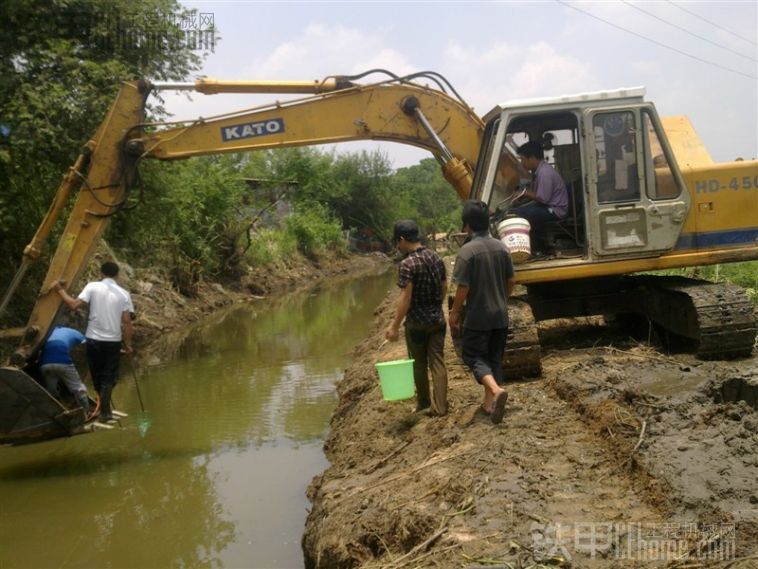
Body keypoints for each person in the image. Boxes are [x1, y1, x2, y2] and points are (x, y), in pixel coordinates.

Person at [449, 201, 516, 425]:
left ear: (467, 225)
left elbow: (463, 287)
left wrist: (455, 312)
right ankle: (489, 404)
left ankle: (496, 391)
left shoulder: (467, 252)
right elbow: (511, 281)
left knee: (473, 356)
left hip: (478, 316)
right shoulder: (502, 247)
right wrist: (503, 299)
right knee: (494, 359)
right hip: (500, 315)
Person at [53, 261, 134, 422]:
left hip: (93, 339)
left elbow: (75, 305)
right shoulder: (124, 293)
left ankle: (104, 410)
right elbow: (126, 322)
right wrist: (128, 345)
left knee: (97, 375)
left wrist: (60, 290)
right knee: (109, 376)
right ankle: (105, 410)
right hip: (113, 341)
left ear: (101, 273)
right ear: (117, 275)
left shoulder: (92, 286)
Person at [385, 220, 448, 416]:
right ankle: (441, 407)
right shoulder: (436, 257)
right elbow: (444, 286)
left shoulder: (407, 264)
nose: (397, 245)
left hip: (417, 323)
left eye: (397, 241)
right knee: (437, 361)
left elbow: (406, 297)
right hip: (437, 319)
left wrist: (394, 326)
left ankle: (423, 403)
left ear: (402, 239)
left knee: (419, 363)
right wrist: (436, 305)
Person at [511, 140, 569, 255]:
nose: (522, 163)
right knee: (520, 210)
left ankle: (537, 249)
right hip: (548, 206)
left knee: (518, 214)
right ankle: (538, 247)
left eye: (523, 159)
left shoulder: (545, 173)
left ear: (532, 157)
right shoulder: (539, 171)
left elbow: (543, 199)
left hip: (556, 210)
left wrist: (525, 193)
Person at [39, 326, 90, 416]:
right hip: (63, 361)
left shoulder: (48, 333)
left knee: (51, 391)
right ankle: (86, 413)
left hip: (45, 364)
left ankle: (57, 413)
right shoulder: (74, 331)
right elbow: (87, 344)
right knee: (78, 388)